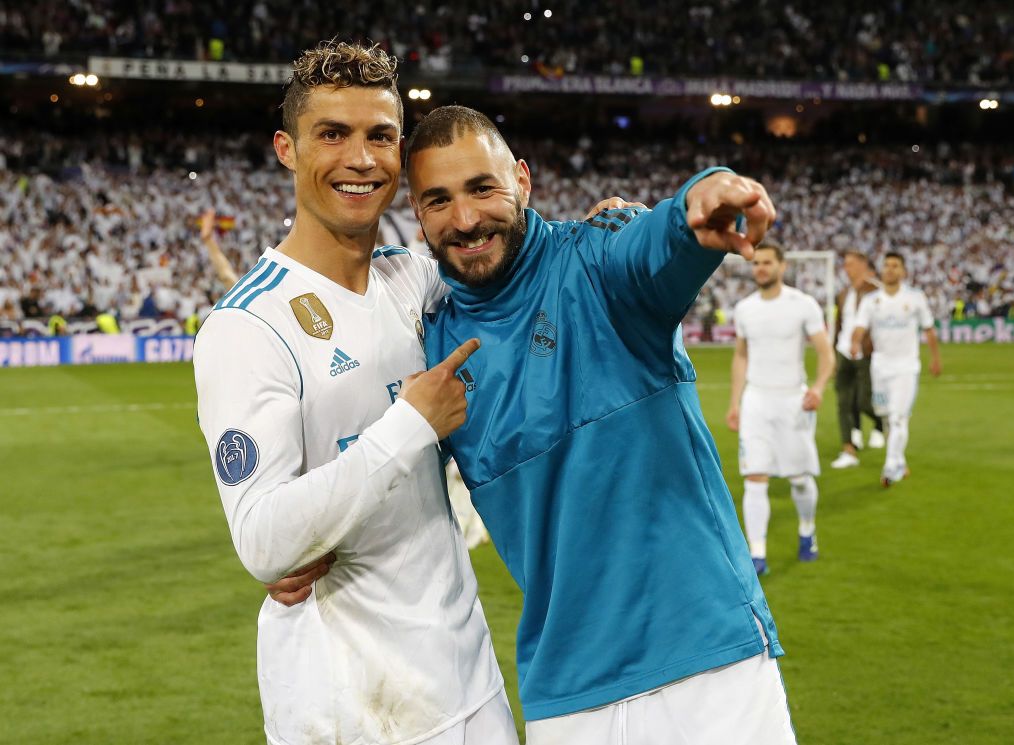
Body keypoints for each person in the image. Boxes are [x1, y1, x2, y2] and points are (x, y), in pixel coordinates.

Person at [406, 106, 796, 744]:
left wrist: (700, 200)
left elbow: (656, 248)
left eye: (482, 188)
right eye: (438, 200)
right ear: (418, 214)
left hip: (707, 663)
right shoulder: (430, 347)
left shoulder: (598, 263)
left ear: (523, 181)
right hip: (568, 692)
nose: (466, 218)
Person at [193, 41, 519, 745]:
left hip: (468, 680)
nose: (361, 159)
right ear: (286, 147)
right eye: (332, 134)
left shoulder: (417, 281)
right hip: (350, 709)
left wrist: (616, 222)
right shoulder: (247, 326)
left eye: (380, 136)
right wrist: (409, 425)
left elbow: (511, 258)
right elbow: (264, 540)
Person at [726, 243, 835, 576]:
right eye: (756, 263)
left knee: (800, 479)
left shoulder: (803, 305)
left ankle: (807, 529)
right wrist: (735, 401)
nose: (760, 268)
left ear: (782, 267)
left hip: (793, 401)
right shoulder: (744, 308)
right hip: (757, 399)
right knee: (754, 477)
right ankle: (756, 555)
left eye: (767, 263)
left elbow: (826, 354)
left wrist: (817, 388)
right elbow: (741, 355)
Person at [851, 252, 941, 487]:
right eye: (887, 265)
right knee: (887, 417)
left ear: (903, 272)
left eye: (895, 266)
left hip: (906, 367)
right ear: (881, 270)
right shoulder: (872, 300)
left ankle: (890, 466)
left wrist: (935, 358)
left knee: (899, 417)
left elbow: (929, 329)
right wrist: (854, 342)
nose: (890, 270)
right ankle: (899, 460)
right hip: (880, 367)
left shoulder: (915, 298)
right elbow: (860, 326)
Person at [831, 250, 884, 468]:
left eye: (851, 264)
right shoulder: (843, 294)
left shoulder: (877, 292)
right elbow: (839, 324)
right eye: (845, 264)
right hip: (843, 351)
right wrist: (834, 352)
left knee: (863, 401)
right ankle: (848, 449)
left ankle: (882, 422)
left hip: (867, 353)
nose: (846, 268)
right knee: (844, 402)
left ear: (864, 265)